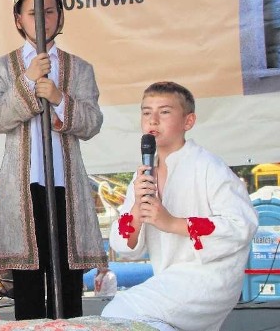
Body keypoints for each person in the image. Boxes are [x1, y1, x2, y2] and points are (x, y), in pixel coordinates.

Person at [0, 0, 107, 320]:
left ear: (60, 17)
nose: (42, 19)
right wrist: (26, 81)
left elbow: (92, 122)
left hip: (65, 188)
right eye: (33, 13)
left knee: (68, 287)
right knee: (28, 289)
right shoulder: (2, 69)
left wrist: (59, 99)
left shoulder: (79, 68)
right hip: (22, 192)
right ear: (18, 20)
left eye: (49, 12)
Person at [101, 82, 258, 331]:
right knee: (146, 323)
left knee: (119, 312)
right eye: (146, 112)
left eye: (164, 112)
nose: (153, 120)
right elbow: (125, 247)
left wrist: (172, 223)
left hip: (211, 276)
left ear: (189, 121)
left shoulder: (208, 166)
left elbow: (242, 225)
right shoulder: (142, 176)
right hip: (170, 278)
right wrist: (137, 213)